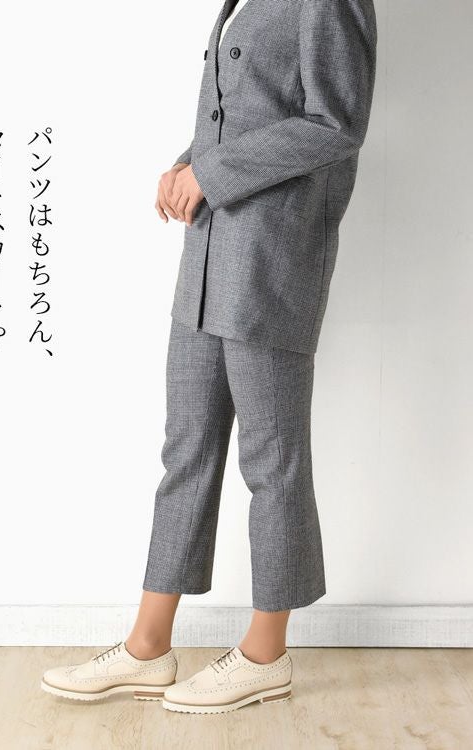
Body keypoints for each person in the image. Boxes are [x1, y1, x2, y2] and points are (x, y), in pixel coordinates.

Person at [41, 0, 377, 715]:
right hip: (207, 251)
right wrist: (187, 164)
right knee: (186, 448)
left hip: (271, 258)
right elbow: (243, 110)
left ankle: (265, 653)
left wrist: (212, 172)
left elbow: (335, 123)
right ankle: (147, 647)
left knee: (271, 456)